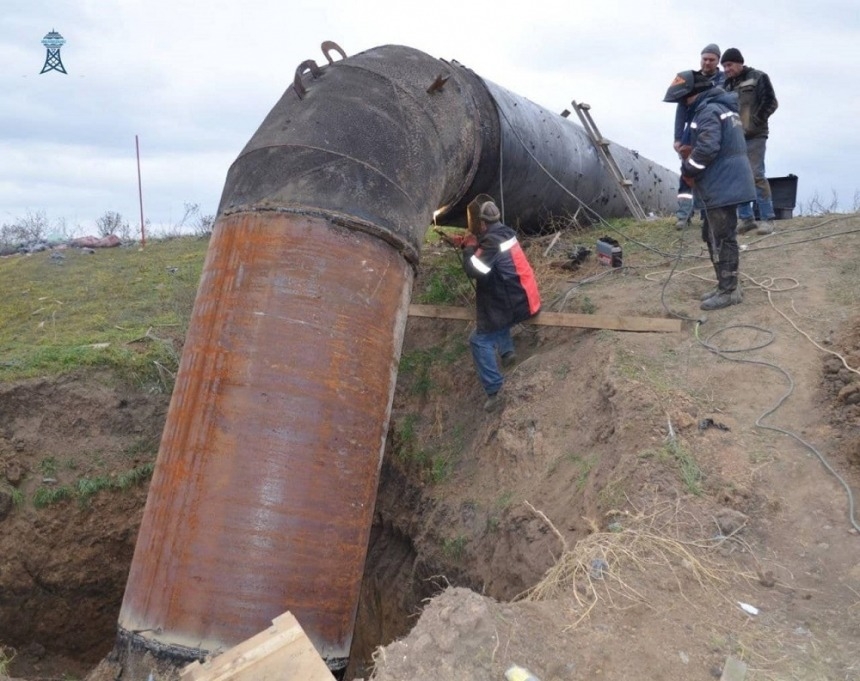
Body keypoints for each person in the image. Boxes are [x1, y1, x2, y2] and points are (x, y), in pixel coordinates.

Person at [663, 70, 755, 310]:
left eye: (685, 99)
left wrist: (688, 170)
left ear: (695, 94)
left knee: (723, 238)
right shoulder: (722, 108)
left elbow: (707, 148)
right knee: (711, 235)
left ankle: (729, 291)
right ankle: (724, 285)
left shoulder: (708, 111)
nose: (684, 105)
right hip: (725, 181)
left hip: (723, 183)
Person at [450, 199, 541, 412]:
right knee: (495, 311)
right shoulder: (504, 233)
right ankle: (507, 352)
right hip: (524, 295)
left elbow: (474, 271)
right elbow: (489, 252)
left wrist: (469, 250)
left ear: (482, 224)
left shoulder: (490, 242)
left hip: (516, 303)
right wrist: (470, 244)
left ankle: (495, 390)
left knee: (478, 340)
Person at [720, 47, 779, 235]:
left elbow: (771, 102)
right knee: (739, 178)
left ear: (739, 62)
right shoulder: (726, 86)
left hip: (755, 136)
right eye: (724, 66)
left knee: (756, 175)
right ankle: (746, 219)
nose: (726, 69)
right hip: (735, 138)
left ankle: (767, 219)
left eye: (729, 65)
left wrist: (755, 121)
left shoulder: (758, 77)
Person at [673, 44, 725, 230]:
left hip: (713, 130)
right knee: (687, 171)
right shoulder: (690, 80)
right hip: (691, 132)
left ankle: (708, 214)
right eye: (705, 58)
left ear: (718, 60)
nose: (707, 62)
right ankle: (683, 215)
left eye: (712, 59)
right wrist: (678, 137)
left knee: (711, 172)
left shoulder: (724, 80)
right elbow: (681, 109)